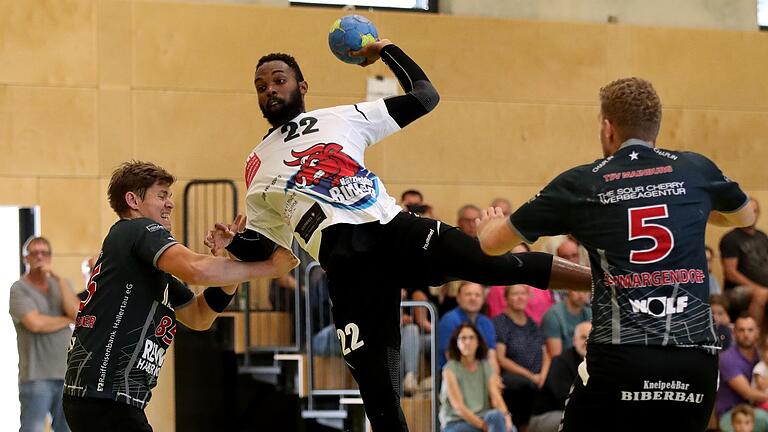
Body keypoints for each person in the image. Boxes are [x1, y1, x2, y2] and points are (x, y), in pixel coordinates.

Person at [207, 39, 592, 432]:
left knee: (498, 263)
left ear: (301, 87)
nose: (270, 89)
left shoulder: (342, 118)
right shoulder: (255, 164)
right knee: (379, 398)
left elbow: (425, 96)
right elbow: (266, 246)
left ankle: (610, 282)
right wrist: (232, 243)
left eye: (279, 80)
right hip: (346, 267)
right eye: (261, 85)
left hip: (394, 230)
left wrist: (387, 50)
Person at [476, 77, 756, 431]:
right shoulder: (696, 169)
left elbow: (492, 245)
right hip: (694, 358)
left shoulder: (582, 183)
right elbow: (744, 217)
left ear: (608, 128)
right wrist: (695, 208)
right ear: (657, 126)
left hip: (623, 356)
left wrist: (489, 225)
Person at [62, 161, 298, 432]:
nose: (170, 204)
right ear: (133, 200)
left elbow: (199, 317)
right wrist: (269, 268)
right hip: (104, 397)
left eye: (170, 196)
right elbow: (196, 269)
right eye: (161, 195)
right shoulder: (136, 229)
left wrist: (235, 260)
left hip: (102, 399)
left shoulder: (145, 267)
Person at [10, 236, 79, 432]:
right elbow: (36, 324)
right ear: (26, 259)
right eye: (34, 253)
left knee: (66, 429)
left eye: (45, 253)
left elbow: (76, 314)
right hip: (36, 376)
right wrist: (66, 320)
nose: (40, 257)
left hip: (66, 374)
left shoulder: (61, 284)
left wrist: (57, 278)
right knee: (32, 429)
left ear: (50, 257)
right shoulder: (19, 289)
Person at [493, 284, 549, 432]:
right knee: (524, 385)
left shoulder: (531, 323)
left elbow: (545, 352)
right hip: (515, 378)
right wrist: (530, 376)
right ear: (506, 298)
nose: (520, 298)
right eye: (515, 294)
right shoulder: (500, 322)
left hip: (537, 376)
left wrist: (543, 375)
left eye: (523, 294)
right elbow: (501, 358)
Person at [440, 323, 514, 432]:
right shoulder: (449, 369)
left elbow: (496, 397)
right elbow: (458, 407)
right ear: (456, 343)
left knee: (501, 419)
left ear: (478, 342)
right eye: (463, 338)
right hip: (457, 421)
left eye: (471, 338)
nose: (468, 342)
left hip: (484, 417)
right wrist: (483, 426)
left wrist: (507, 417)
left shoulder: (486, 366)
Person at [529, 321, 592, 432]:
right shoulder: (561, 362)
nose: (587, 342)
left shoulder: (596, 363)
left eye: (590, 338)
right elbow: (564, 400)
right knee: (581, 419)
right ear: (574, 341)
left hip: (573, 413)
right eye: (583, 337)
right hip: (544, 418)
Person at [720, 199, 768, 324]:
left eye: (755, 211)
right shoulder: (731, 239)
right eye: (749, 212)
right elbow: (731, 273)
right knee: (761, 295)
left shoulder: (762, 237)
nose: (753, 215)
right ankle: (754, 337)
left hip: (763, 287)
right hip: (736, 290)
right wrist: (757, 288)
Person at [717, 315, 768, 432]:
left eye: (750, 330)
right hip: (731, 414)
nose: (746, 334)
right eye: (741, 330)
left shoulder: (762, 355)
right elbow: (748, 393)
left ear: (757, 332)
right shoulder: (727, 358)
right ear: (734, 332)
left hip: (756, 409)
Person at [438, 282, 498, 371]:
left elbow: (492, 356)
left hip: (482, 374)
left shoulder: (486, 322)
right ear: (458, 298)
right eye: (468, 294)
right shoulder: (449, 320)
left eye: (477, 295)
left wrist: (494, 378)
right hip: (453, 374)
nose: (473, 298)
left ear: (483, 300)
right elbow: (451, 357)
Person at [540, 289, 591, 358]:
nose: (581, 295)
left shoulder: (590, 313)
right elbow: (556, 358)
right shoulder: (553, 316)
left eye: (585, 291)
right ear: (568, 289)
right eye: (577, 290)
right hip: (565, 365)